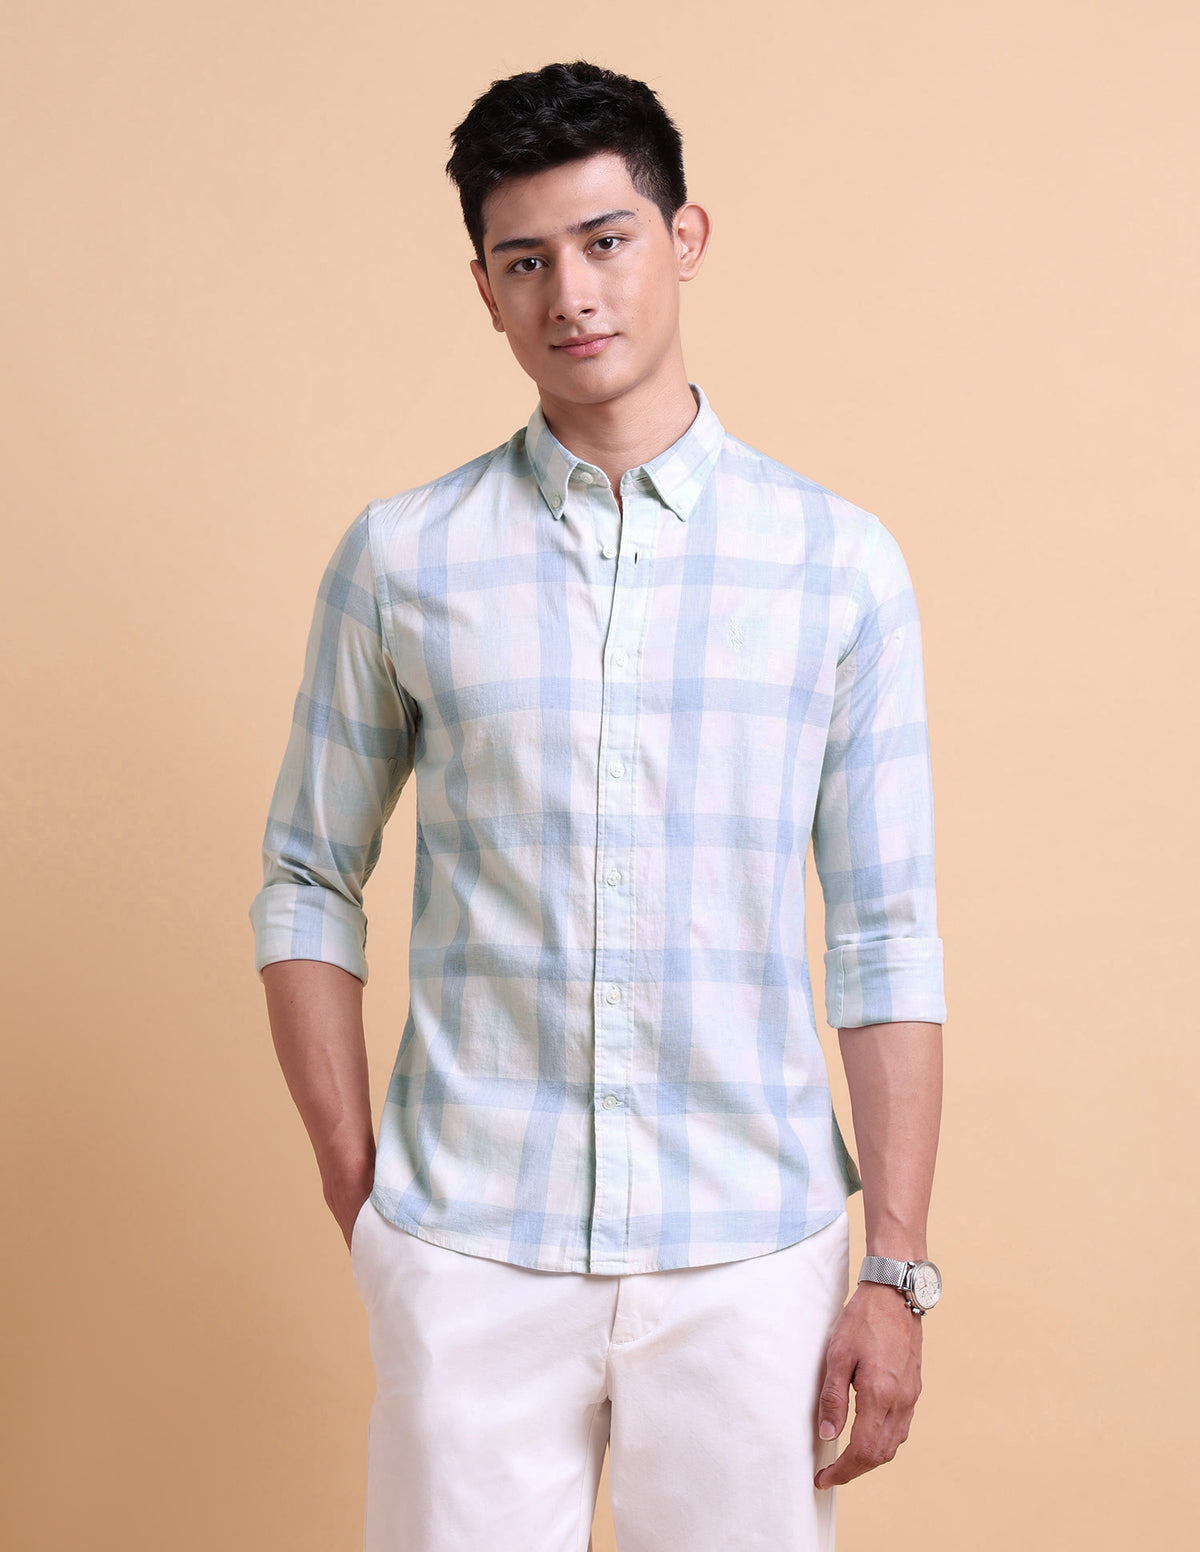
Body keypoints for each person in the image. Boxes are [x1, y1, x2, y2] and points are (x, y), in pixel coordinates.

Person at [249, 59, 946, 1552]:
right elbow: (306, 876)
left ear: (684, 239)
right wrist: (362, 1198)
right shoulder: (402, 559)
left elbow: (886, 933)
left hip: (751, 1251)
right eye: (525, 261)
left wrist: (895, 1269)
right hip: (468, 1243)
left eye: (606, 240)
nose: (571, 292)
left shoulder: (837, 565)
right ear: (486, 291)